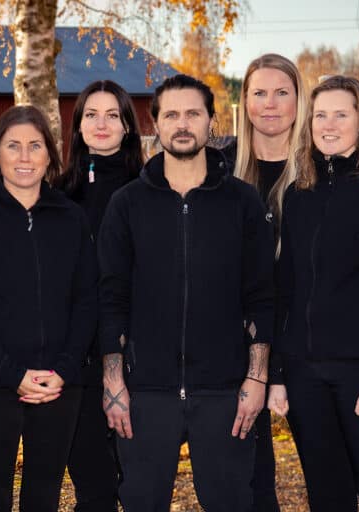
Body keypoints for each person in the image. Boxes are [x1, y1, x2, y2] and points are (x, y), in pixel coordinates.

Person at [99, 74, 276, 511]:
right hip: (145, 392)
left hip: (225, 390)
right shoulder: (126, 203)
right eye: (172, 114)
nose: (183, 124)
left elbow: (262, 295)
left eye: (193, 113)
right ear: (155, 124)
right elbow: (111, 296)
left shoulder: (242, 201)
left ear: (211, 122)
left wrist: (256, 377)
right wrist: (114, 381)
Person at [267, 75, 359, 512]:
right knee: (326, 494)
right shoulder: (299, 193)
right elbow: (286, 288)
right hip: (305, 373)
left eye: (340, 114)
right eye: (319, 115)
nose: (328, 125)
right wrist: (278, 373)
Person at [0, 105, 99, 512]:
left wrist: (65, 370)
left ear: (51, 154)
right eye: (14, 146)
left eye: (35, 146)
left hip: (59, 384)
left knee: (43, 496)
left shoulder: (71, 218)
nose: (26, 156)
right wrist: (11, 374)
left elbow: (86, 299)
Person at [55, 79, 144, 512]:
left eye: (113, 115)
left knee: (140, 485)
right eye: (91, 114)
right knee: (94, 488)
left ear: (128, 126)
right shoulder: (55, 194)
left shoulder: (152, 188)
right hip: (78, 363)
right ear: (78, 125)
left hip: (142, 359)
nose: (101, 123)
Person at [225, 53, 307, 512]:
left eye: (282, 92)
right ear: (245, 100)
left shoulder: (320, 171)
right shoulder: (219, 168)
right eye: (259, 92)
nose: (270, 104)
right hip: (237, 348)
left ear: (299, 100)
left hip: (305, 344)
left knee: (331, 474)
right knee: (250, 485)